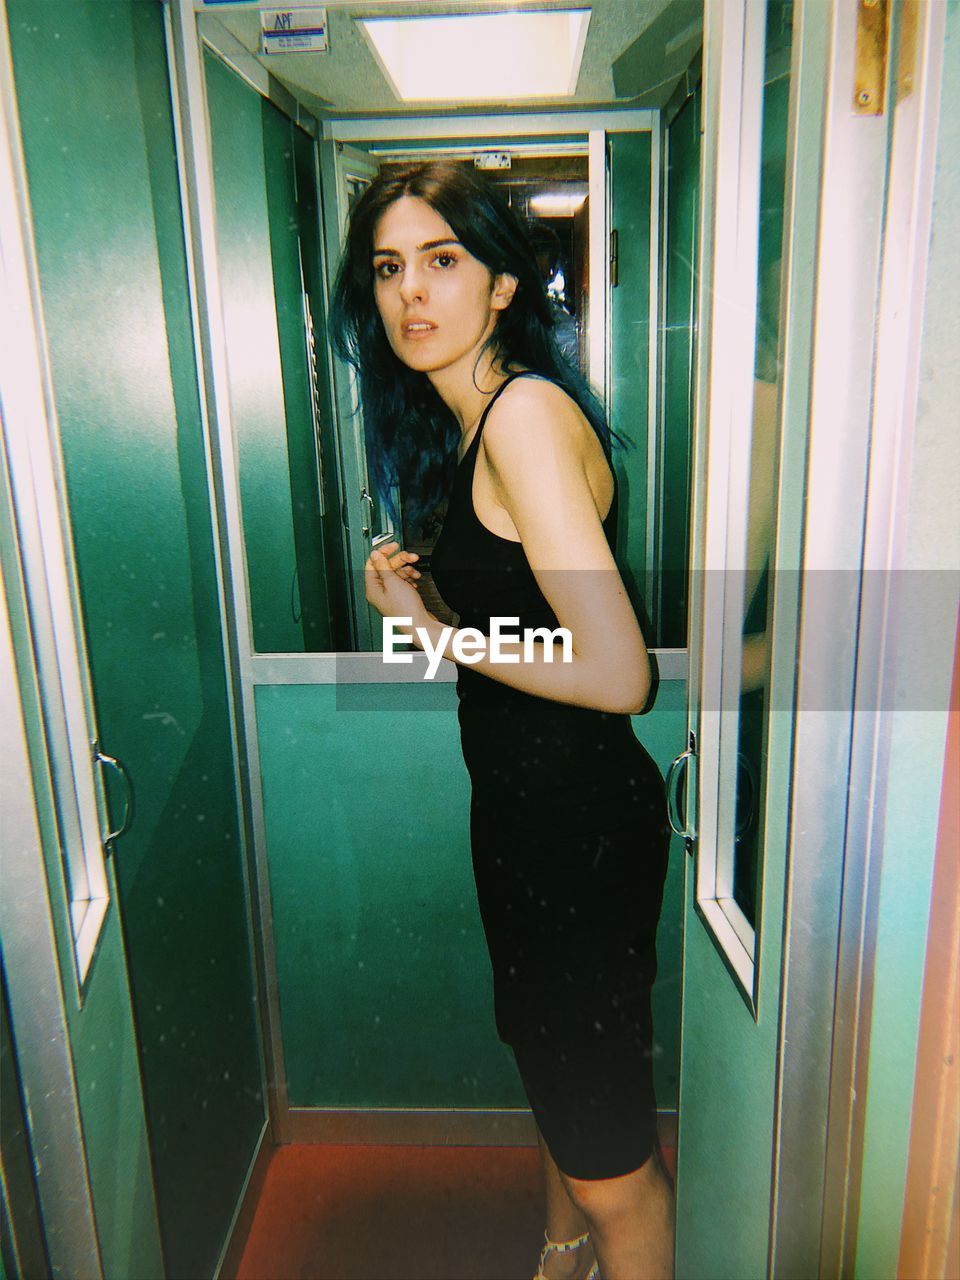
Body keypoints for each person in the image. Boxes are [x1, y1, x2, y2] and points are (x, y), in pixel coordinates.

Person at [331, 161, 674, 1280]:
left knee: (615, 1160)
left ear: (503, 289)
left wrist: (433, 634)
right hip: (528, 812)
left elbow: (617, 670)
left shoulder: (522, 419)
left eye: (444, 261)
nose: (410, 293)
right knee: (555, 1070)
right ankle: (562, 1239)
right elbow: (532, 638)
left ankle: (598, 1231)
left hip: (571, 826)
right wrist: (422, 603)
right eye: (389, 267)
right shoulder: (476, 420)